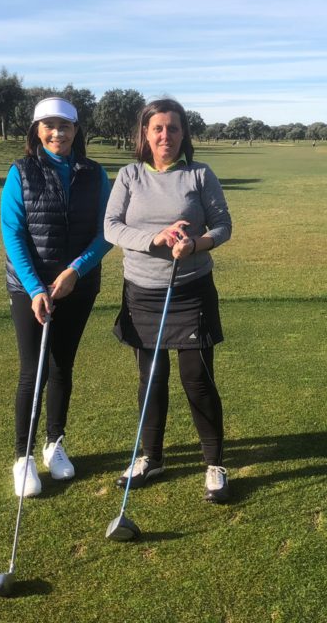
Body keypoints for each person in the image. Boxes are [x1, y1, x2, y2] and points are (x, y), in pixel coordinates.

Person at [103, 98, 233, 503]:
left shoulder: (198, 174)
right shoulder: (129, 176)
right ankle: (151, 458)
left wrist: (195, 244)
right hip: (141, 292)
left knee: (197, 379)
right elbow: (111, 227)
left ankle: (214, 463)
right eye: (157, 128)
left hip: (190, 290)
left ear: (183, 133)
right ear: (145, 133)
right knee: (152, 379)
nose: (165, 136)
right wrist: (154, 240)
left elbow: (223, 226)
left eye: (173, 128)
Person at [0, 97, 111, 496]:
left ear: (76, 131)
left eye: (65, 126)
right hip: (28, 287)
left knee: (63, 366)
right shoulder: (21, 171)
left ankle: (54, 445)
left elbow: (106, 233)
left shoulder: (95, 174)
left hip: (77, 286)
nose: (57, 133)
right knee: (34, 370)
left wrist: (74, 272)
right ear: (36, 131)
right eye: (48, 125)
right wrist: (34, 288)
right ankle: (23, 457)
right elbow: (13, 233)